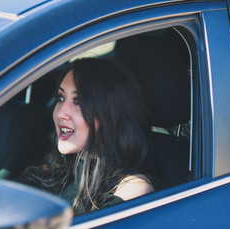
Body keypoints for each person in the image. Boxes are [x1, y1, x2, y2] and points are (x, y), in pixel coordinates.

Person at [17, 57, 160, 215]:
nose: (60, 114)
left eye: (78, 101)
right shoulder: (53, 172)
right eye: (60, 98)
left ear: (110, 113)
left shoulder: (132, 187)